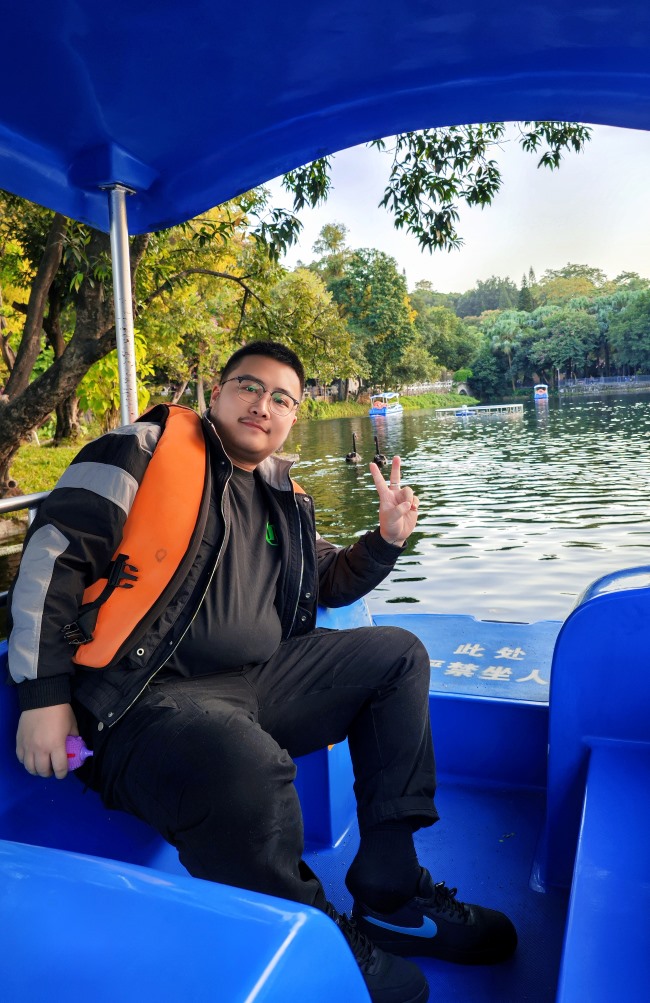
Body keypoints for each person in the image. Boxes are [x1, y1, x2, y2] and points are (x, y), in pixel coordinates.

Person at [8, 341, 516, 1002]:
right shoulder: (139, 451)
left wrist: (385, 541)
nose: (263, 404)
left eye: (282, 397)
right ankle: (316, 940)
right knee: (244, 760)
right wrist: (43, 696)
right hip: (140, 701)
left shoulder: (283, 495)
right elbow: (51, 559)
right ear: (217, 393)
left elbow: (327, 578)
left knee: (398, 656)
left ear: (292, 417)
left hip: (254, 681)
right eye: (249, 386)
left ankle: (391, 891)